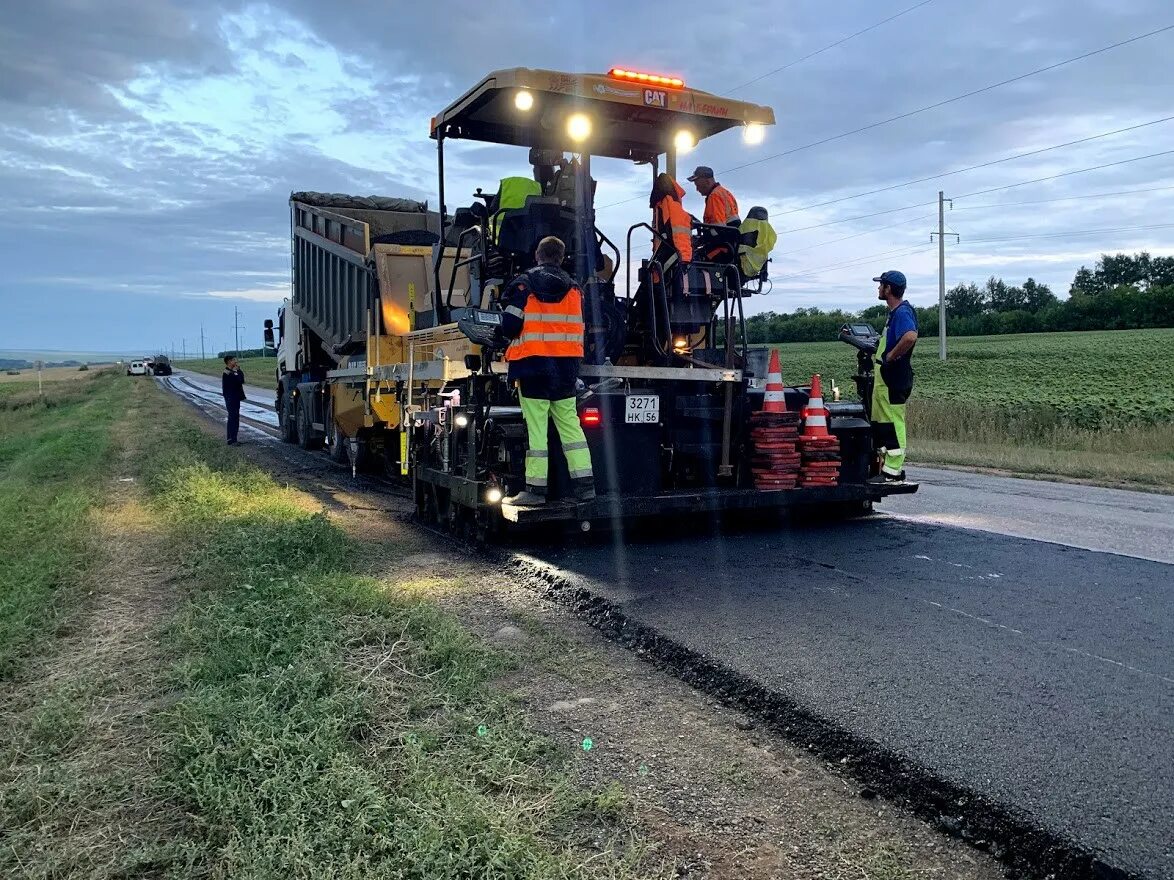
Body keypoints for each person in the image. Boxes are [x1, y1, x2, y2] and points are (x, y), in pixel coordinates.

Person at [500, 236, 595, 505]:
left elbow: (509, 326)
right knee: (571, 429)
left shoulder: (524, 284)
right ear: (561, 258)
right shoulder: (575, 289)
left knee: (537, 430)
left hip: (533, 367)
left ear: (537, 255)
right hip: (566, 369)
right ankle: (585, 488)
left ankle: (535, 491)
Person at [869, 270, 917, 482]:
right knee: (883, 422)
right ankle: (884, 467)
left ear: (888, 289)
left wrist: (890, 356)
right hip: (885, 380)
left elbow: (909, 336)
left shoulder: (902, 312)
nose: (879, 288)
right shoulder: (894, 314)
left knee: (894, 421)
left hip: (893, 378)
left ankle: (893, 469)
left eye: (881, 285)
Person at [650, 172, 692, 272]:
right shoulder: (673, 206)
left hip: (673, 253)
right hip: (680, 254)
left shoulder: (666, 203)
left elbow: (671, 229)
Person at [221, 355, 246, 445]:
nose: (235, 362)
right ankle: (231, 439)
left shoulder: (234, 371)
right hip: (230, 398)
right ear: (229, 361)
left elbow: (242, 380)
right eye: (233, 360)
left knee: (236, 418)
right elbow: (236, 381)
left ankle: (234, 439)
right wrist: (236, 372)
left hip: (236, 397)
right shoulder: (227, 372)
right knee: (232, 418)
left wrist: (238, 370)